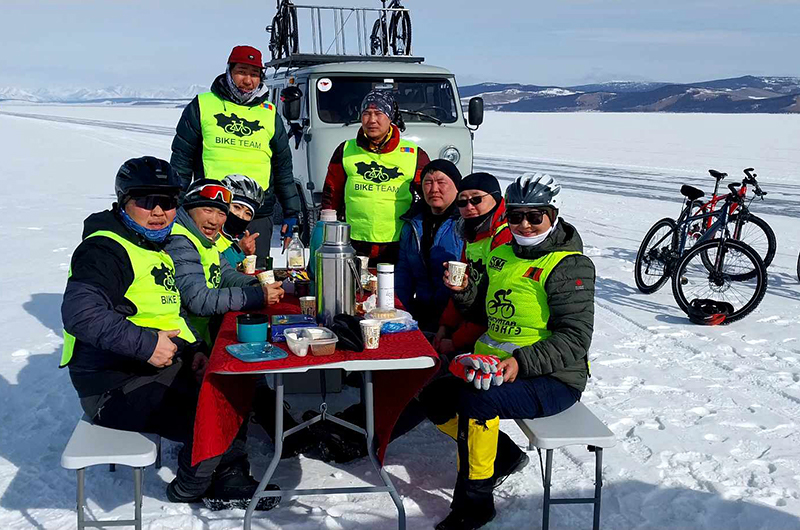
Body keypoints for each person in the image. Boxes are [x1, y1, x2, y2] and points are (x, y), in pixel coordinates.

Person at [60, 156, 279, 510]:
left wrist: (193, 352)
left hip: (156, 368)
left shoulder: (154, 246)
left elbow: (168, 312)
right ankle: (195, 485)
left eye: (168, 202)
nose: (159, 211)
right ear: (123, 203)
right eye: (146, 201)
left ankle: (223, 472)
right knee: (216, 407)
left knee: (233, 381)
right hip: (112, 384)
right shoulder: (106, 248)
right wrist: (147, 345)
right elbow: (80, 312)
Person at [421, 173, 595, 530]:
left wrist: (519, 363)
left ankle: (475, 503)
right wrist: (465, 290)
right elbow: (484, 312)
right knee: (434, 396)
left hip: (554, 377)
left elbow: (575, 338)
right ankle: (502, 455)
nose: (525, 225)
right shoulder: (501, 254)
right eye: (516, 216)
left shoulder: (568, 265)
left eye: (535, 216)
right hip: (495, 364)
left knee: (477, 402)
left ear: (554, 214)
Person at [170, 44, 301, 265]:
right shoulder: (203, 105)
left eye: (254, 74)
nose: (248, 80)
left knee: (255, 276)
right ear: (229, 71)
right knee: (210, 272)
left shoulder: (269, 114)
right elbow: (181, 161)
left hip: (256, 214)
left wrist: (291, 212)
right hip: (211, 210)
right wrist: (176, 205)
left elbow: (283, 168)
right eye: (241, 72)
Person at [164, 178, 283, 346]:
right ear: (190, 208)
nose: (214, 220)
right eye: (207, 210)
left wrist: (256, 284)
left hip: (200, 335)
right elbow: (199, 300)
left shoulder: (205, 239)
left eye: (221, 213)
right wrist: (256, 296)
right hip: (181, 340)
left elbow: (226, 274)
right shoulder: (180, 240)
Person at [321, 89, 431, 264]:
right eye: (366, 114)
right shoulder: (346, 150)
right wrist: (325, 233)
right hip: (354, 242)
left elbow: (430, 195)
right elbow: (331, 194)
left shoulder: (414, 154)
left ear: (390, 117)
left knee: (393, 290)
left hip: (397, 243)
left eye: (378, 113)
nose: (372, 120)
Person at [433, 172, 508, 358]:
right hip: (472, 322)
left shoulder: (504, 236)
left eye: (476, 199)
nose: (469, 206)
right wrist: (445, 326)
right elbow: (461, 288)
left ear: (496, 198)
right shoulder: (472, 233)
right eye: (462, 201)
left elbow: (489, 303)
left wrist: (456, 341)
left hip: (497, 335)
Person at [395, 159, 464, 332]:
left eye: (441, 183)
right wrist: (399, 312)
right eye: (428, 183)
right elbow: (404, 274)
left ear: (457, 187)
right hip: (421, 312)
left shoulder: (464, 224)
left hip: (455, 316)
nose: (434, 189)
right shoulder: (412, 223)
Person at [216, 174, 265, 269]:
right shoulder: (207, 232)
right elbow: (213, 270)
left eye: (248, 213)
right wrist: (238, 250)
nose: (240, 216)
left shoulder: (238, 239)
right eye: (236, 207)